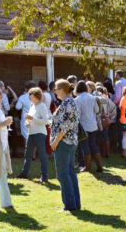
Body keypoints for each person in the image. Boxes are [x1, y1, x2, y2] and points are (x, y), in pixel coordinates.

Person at [50, 79, 81, 212]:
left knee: (63, 174)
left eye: (56, 89)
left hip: (64, 142)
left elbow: (65, 125)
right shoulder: (70, 102)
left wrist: (56, 141)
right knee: (70, 173)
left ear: (62, 90)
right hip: (70, 142)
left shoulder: (68, 103)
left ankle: (69, 205)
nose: (54, 91)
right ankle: (75, 204)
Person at [17, 87, 49, 182]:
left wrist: (32, 119)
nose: (29, 96)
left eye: (30, 94)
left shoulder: (42, 106)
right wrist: (27, 122)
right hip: (31, 133)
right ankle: (24, 173)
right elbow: (30, 119)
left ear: (35, 95)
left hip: (40, 133)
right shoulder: (32, 105)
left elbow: (45, 121)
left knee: (42, 155)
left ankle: (44, 176)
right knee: (28, 154)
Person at [75, 81, 103, 173]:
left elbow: (77, 115)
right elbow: (97, 110)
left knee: (85, 146)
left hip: (83, 126)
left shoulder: (77, 99)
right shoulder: (92, 98)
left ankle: (88, 167)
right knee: (94, 145)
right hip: (93, 125)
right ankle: (99, 166)